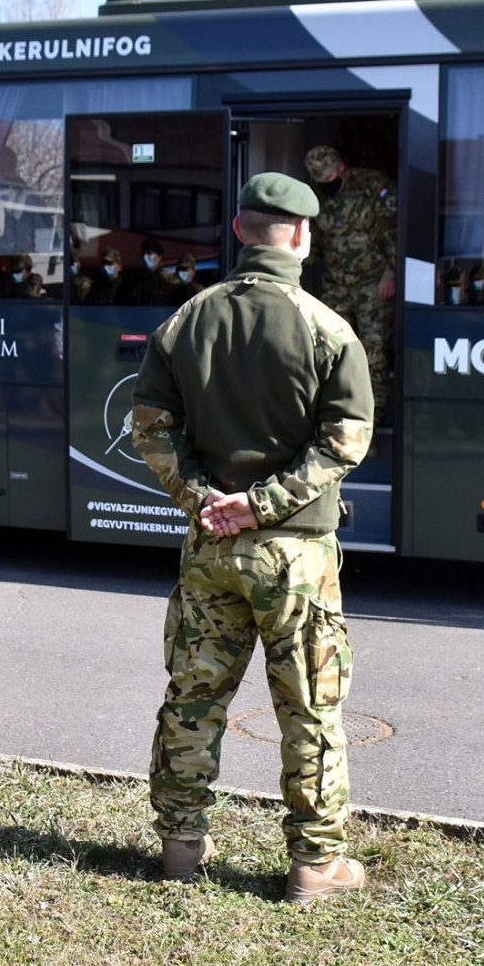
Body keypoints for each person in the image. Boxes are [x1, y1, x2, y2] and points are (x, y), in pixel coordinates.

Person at [130, 172, 374, 904]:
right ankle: (314, 864)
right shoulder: (328, 329)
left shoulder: (185, 321)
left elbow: (150, 427)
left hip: (209, 548)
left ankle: (179, 845)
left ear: (238, 231)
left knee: (193, 696)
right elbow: (345, 441)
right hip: (295, 553)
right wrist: (262, 504)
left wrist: (205, 499)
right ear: (301, 235)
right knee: (309, 707)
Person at [304, 144, 395, 421]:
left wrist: (391, 274)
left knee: (373, 356)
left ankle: (371, 426)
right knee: (328, 353)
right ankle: (333, 420)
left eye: (330, 180)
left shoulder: (373, 185)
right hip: (335, 285)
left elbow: (393, 231)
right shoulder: (317, 198)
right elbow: (315, 242)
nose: (326, 187)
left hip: (372, 284)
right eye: (321, 182)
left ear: (341, 167)